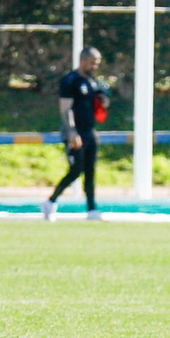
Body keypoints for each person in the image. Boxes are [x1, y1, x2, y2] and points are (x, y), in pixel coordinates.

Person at [42, 47, 108, 221]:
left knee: (90, 170)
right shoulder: (70, 81)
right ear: (83, 61)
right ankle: (51, 201)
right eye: (93, 63)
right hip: (75, 132)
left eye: (97, 63)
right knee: (76, 169)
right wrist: (71, 131)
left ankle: (92, 209)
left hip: (89, 131)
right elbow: (65, 108)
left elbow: (99, 104)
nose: (95, 66)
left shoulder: (93, 82)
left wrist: (104, 101)